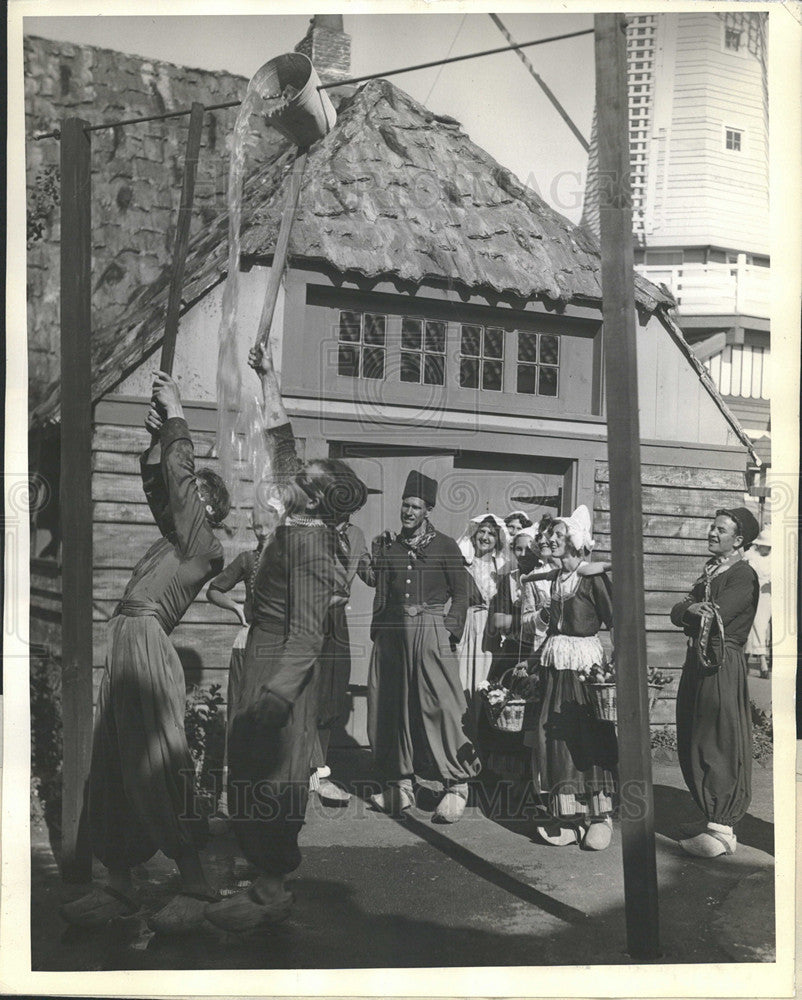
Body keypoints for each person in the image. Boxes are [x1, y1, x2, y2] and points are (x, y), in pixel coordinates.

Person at [205, 344, 368, 932]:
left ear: (318, 498)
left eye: (310, 478)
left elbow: (307, 634)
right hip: (264, 657)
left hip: (283, 668)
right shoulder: (299, 521)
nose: (297, 474)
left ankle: (272, 888)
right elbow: (282, 443)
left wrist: (274, 697)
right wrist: (270, 378)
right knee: (250, 772)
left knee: (276, 775)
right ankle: (262, 877)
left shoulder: (314, 546)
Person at [61, 372, 231, 934]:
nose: (185, 495)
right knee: (112, 765)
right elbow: (163, 488)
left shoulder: (203, 545)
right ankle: (122, 885)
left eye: (197, 492)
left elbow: (178, 492)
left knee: (159, 762)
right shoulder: (173, 536)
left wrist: (179, 414)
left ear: (211, 509)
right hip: (125, 641)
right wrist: (159, 442)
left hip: (149, 647)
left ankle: (196, 882)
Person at [367, 472, 481, 823]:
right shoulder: (389, 545)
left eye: (415, 506)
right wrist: (370, 552)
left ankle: (457, 784)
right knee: (393, 705)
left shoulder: (446, 546)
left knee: (443, 705)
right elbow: (377, 583)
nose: (408, 511)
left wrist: (449, 630)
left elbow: (463, 593)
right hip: (393, 632)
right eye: (405, 505)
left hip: (431, 629)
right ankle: (400, 783)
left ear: (427, 510)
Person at [671, 507, 760, 858]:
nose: (711, 532)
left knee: (717, 739)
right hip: (699, 660)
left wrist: (690, 611)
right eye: (711, 527)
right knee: (693, 733)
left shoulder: (743, 576)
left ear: (738, 540)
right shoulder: (711, 570)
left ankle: (723, 829)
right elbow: (682, 610)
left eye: (720, 529)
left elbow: (715, 616)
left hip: (721, 663)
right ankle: (710, 815)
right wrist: (688, 611)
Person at [527, 506, 616, 851]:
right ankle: (569, 818)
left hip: (583, 668)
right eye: (550, 535)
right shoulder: (554, 579)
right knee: (555, 739)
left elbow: (615, 620)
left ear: (576, 542)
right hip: (555, 665)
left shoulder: (590, 577)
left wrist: (616, 668)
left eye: (559, 536)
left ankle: (600, 817)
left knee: (587, 738)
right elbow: (550, 625)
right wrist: (533, 662)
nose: (550, 539)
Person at [206, 506, 278, 816]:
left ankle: (267, 799)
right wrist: (238, 611)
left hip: (278, 647)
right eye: (257, 526)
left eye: (267, 525)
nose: (262, 532)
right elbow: (214, 589)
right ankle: (228, 801)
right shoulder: (248, 560)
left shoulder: (291, 562)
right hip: (247, 645)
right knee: (239, 715)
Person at [309, 513, 373, 805]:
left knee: (332, 691)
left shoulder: (356, 535)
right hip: (309, 614)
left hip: (337, 619)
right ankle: (301, 769)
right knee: (306, 687)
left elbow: (370, 576)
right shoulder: (313, 529)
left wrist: (385, 556)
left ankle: (319, 771)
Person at [456, 514, 511, 721]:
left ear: (498, 540)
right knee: (464, 681)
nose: (485, 537)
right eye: (482, 531)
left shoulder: (503, 569)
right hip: (469, 628)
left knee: (487, 682)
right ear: (474, 534)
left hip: (492, 632)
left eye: (491, 533)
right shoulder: (464, 565)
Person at [744, 526, 771, 678]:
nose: (766, 548)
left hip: (768, 596)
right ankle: (758, 661)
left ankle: (753, 660)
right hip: (754, 593)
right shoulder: (750, 555)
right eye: (764, 545)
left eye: (768, 546)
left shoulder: (776, 558)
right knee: (753, 625)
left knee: (760, 627)